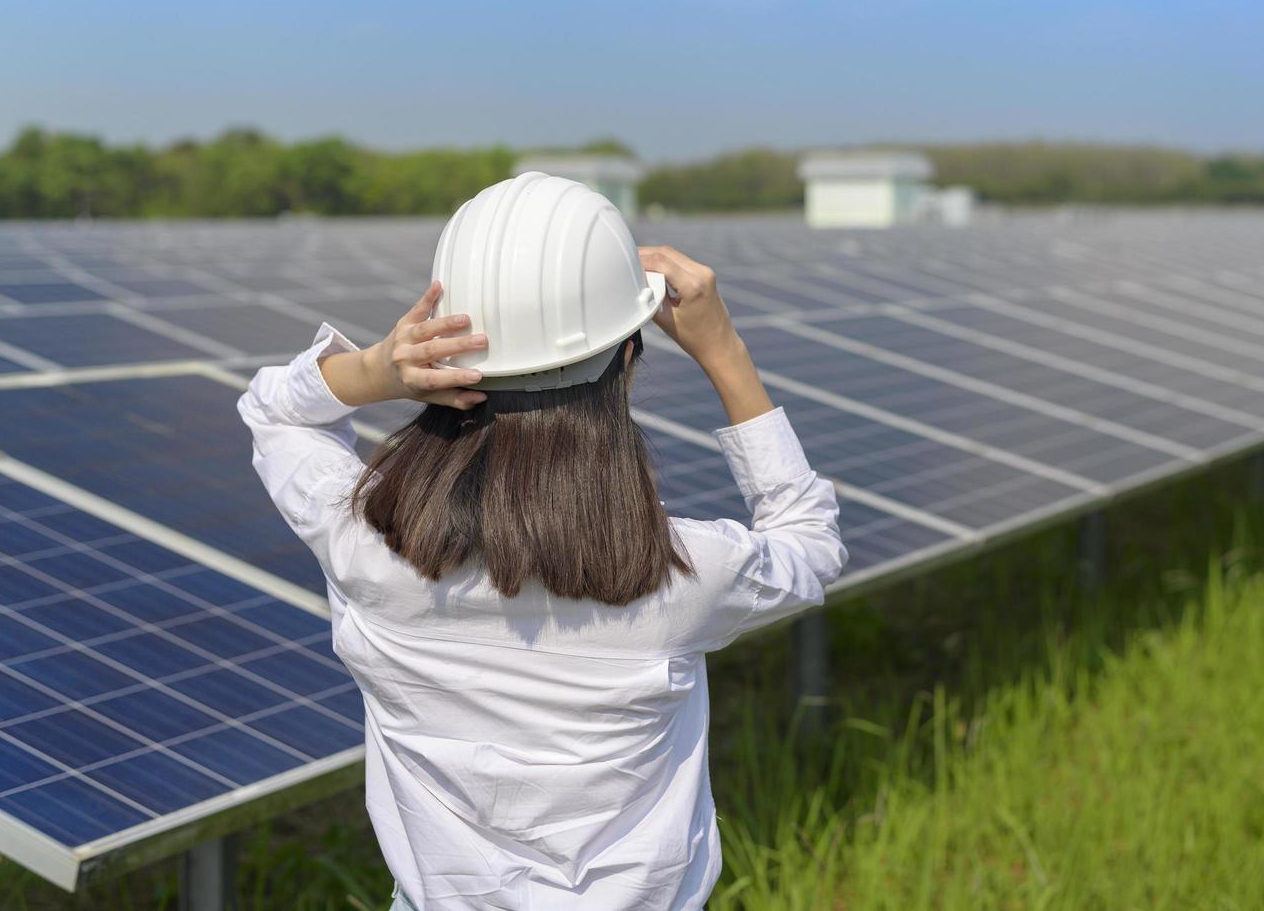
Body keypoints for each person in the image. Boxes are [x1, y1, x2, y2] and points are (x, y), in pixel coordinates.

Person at [237, 181, 845, 910]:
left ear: (447, 353)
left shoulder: (363, 541)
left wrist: (378, 370)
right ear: (627, 358)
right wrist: (724, 351)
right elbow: (808, 543)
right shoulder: (681, 578)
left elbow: (273, 412)